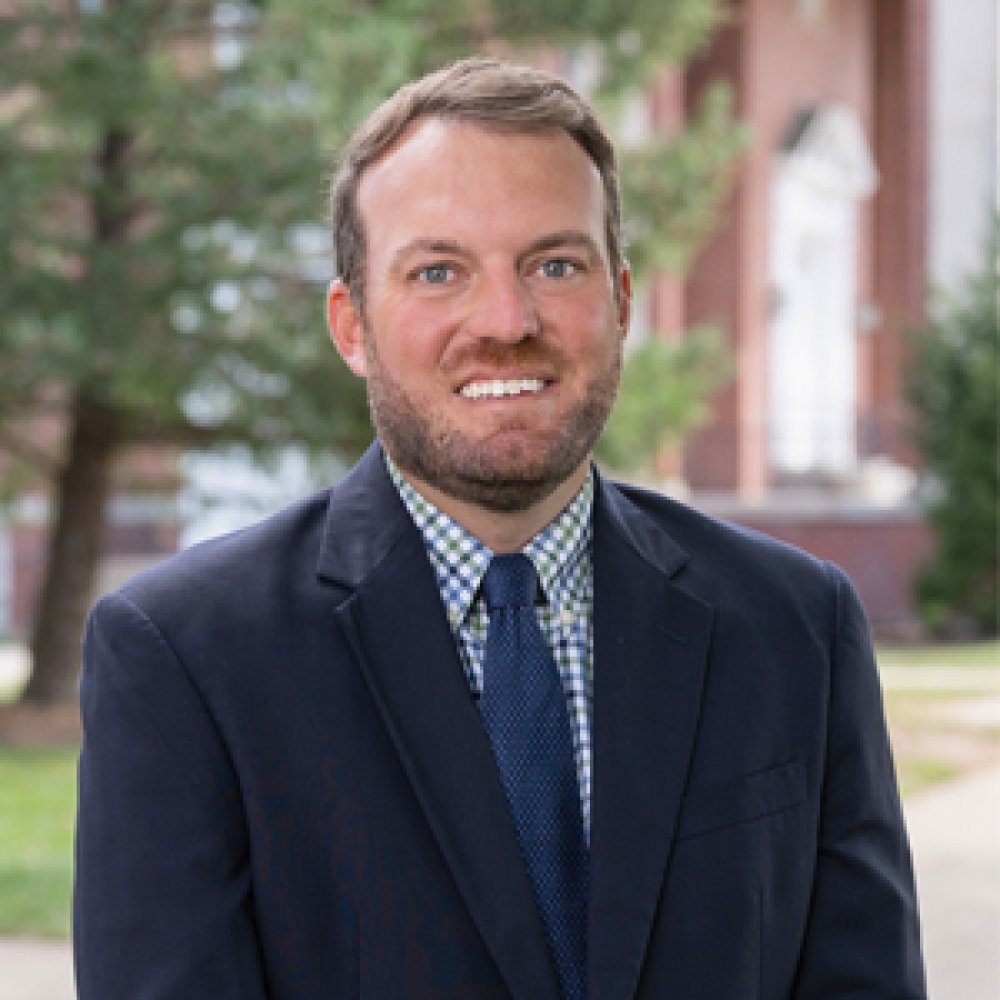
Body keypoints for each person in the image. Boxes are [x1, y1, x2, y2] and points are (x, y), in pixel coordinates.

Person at [73, 57, 926, 999]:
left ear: (623, 300)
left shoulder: (796, 626)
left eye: (554, 265)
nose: (507, 319)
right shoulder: (188, 657)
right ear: (350, 326)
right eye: (438, 271)